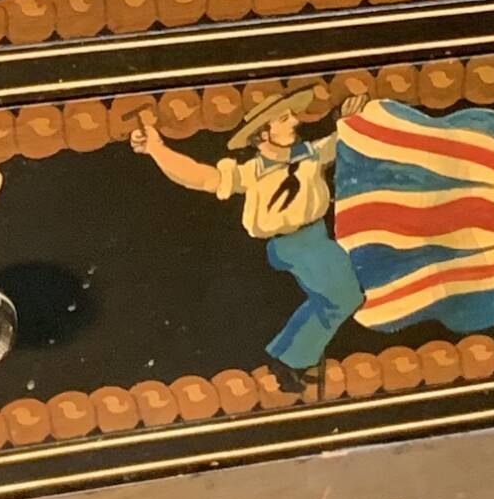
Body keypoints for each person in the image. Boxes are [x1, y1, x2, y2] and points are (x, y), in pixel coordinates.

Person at [130, 86, 364, 377]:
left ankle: (284, 355)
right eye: (283, 119)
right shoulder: (251, 171)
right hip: (292, 244)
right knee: (344, 297)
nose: (295, 122)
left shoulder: (311, 154)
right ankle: (294, 360)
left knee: (336, 297)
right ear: (262, 134)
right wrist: (156, 149)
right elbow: (199, 176)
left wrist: (349, 118)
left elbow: (346, 139)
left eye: (291, 115)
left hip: (317, 236)